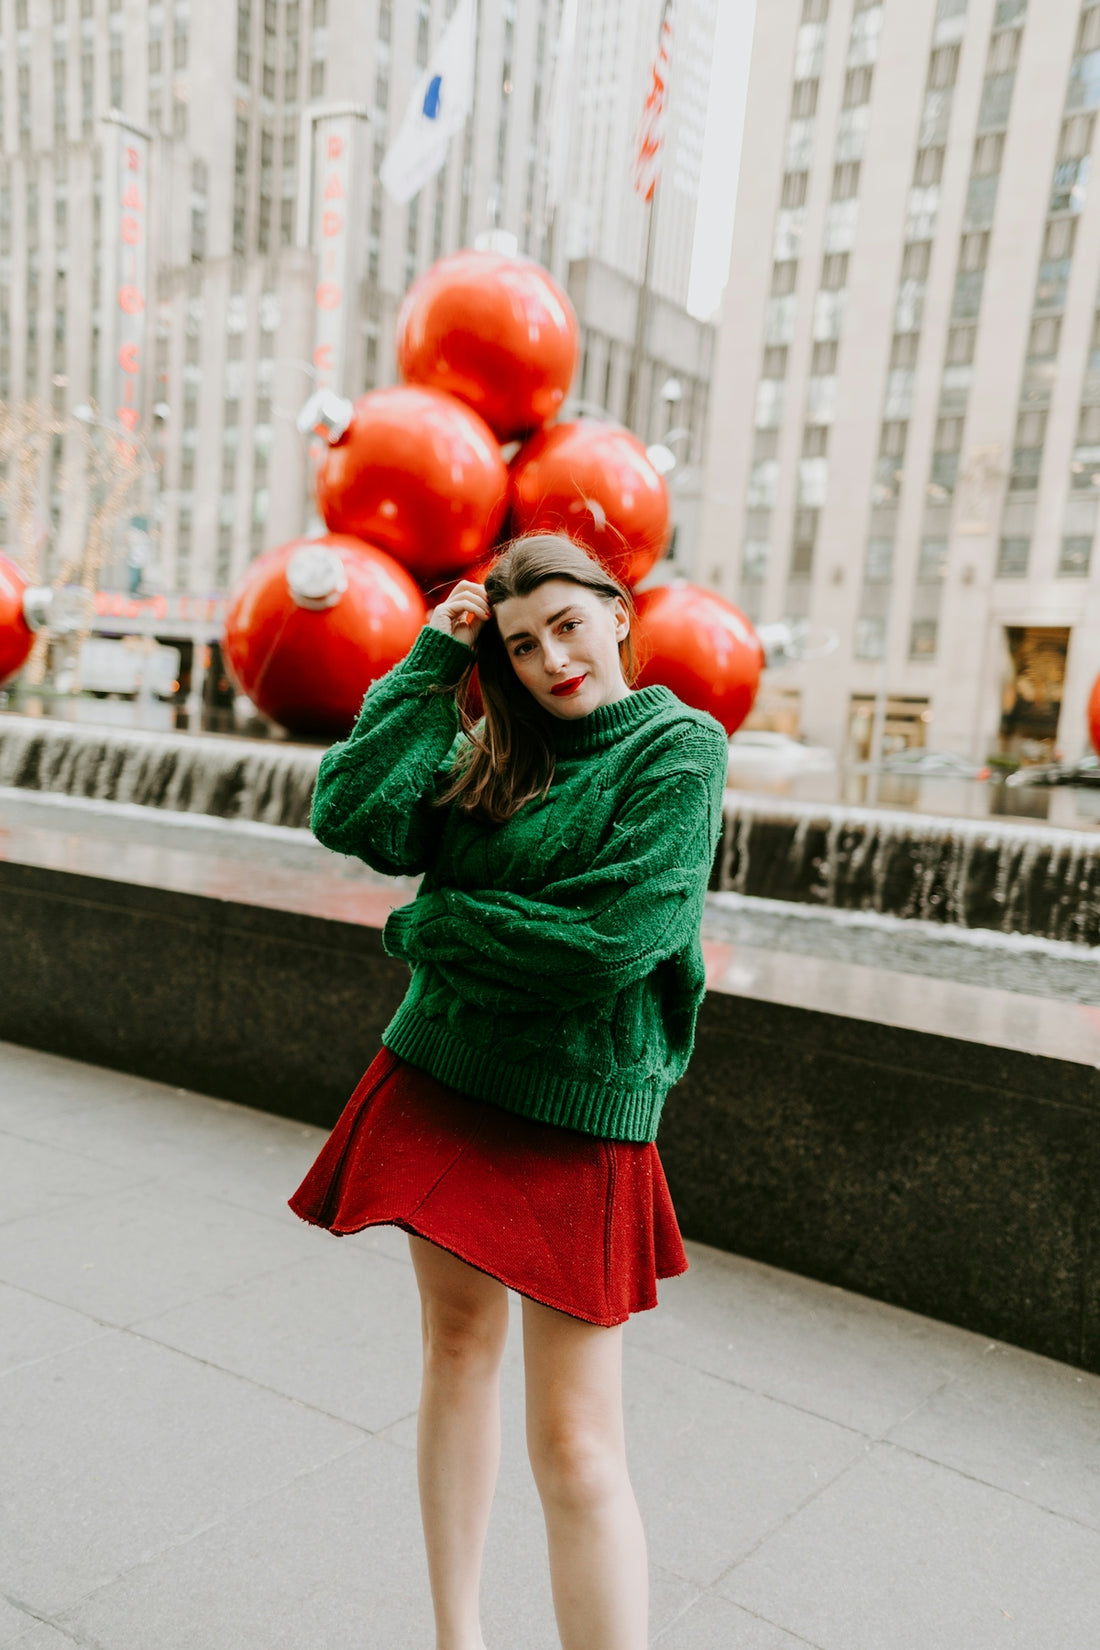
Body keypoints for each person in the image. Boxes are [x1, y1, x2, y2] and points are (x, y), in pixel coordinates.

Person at [288, 532, 728, 1650]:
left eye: (569, 626)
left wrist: (437, 924)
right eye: (523, 643)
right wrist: (437, 661)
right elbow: (350, 813)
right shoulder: (497, 746)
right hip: (444, 1078)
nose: (551, 661)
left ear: (618, 613)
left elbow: (609, 941)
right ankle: (456, 1638)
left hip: (579, 1116)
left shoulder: (677, 749)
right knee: (451, 1349)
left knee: (578, 1446)